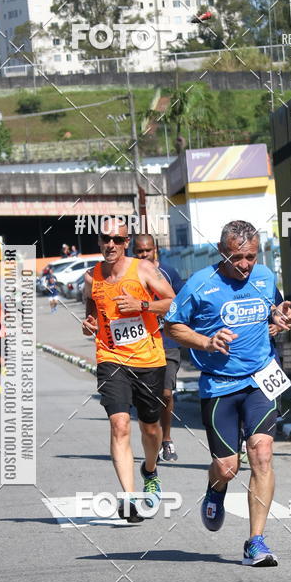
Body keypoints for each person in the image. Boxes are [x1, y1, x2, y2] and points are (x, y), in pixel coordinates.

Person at [165, 220, 291, 567]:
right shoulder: (200, 285)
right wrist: (206, 341)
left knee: (262, 454)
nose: (244, 265)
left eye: (250, 257)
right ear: (222, 252)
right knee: (227, 467)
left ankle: (256, 541)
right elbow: (173, 324)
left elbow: (276, 310)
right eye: (237, 257)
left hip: (259, 379)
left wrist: (282, 317)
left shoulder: (266, 277)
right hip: (219, 384)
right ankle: (216, 488)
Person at [82, 217, 176, 523]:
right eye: (106, 239)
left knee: (150, 428)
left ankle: (149, 469)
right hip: (110, 357)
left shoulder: (144, 270)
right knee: (119, 424)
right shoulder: (91, 277)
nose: (111, 244)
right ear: (99, 241)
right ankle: (130, 498)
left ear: (126, 243)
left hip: (148, 360)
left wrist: (142, 306)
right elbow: (91, 309)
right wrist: (89, 323)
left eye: (118, 240)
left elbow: (174, 303)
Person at [132, 233, 185, 462]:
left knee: (165, 392)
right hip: (140, 343)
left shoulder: (168, 273)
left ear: (156, 250)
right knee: (146, 397)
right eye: (139, 251)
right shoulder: (130, 274)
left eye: (147, 250)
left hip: (167, 341)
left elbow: (182, 298)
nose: (143, 255)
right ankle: (151, 438)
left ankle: (167, 440)